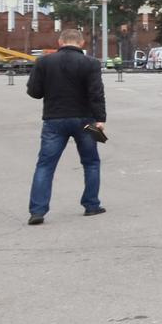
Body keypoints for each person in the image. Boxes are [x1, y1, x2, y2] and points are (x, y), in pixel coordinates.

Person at [25, 27, 106, 225]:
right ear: (82, 43)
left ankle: (37, 211)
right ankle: (91, 205)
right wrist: (100, 119)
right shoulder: (91, 63)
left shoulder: (43, 62)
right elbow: (96, 93)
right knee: (91, 163)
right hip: (86, 120)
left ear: (59, 43)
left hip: (54, 119)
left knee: (45, 165)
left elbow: (34, 92)